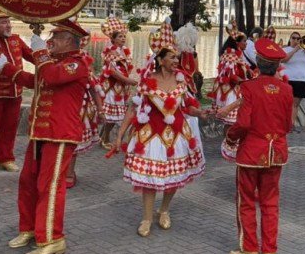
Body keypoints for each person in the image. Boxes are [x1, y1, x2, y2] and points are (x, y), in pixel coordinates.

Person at [0, 19, 91, 254]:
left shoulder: (79, 63)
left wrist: (39, 52)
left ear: (69, 40)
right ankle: (30, 229)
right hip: (40, 133)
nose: (49, 41)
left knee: (50, 186)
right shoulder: (53, 63)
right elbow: (34, 80)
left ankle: (52, 239)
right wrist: (4, 66)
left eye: (55, 37)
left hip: (60, 134)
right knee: (27, 182)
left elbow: (53, 77)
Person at [113, 18, 207, 238]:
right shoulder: (146, 81)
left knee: (173, 179)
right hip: (150, 136)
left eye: (177, 56)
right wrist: (120, 135)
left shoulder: (182, 81)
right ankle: (146, 217)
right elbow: (132, 110)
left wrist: (201, 112)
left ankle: (164, 210)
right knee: (149, 181)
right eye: (172, 56)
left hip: (176, 136)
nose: (176, 60)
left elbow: (188, 108)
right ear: (161, 59)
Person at [225, 38, 293, 254]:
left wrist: (230, 137)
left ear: (258, 62)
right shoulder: (286, 89)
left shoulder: (249, 87)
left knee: (246, 201)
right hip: (276, 152)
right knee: (270, 202)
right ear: (276, 65)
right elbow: (288, 125)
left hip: (251, 153)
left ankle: (250, 248)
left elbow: (243, 123)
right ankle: (270, 250)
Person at [0, 7, 34, 174]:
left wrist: (47, 60)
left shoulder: (16, 40)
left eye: (9, 22)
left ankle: (6, 159)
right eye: (3, 22)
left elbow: (31, 56)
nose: (8, 25)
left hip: (15, 92)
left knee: (9, 128)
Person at [66, 33, 104, 189]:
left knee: (73, 142)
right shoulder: (52, 59)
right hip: (58, 108)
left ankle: (68, 173)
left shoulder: (82, 60)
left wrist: (100, 110)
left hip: (78, 108)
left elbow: (93, 87)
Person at [99, 16, 137, 149]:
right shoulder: (112, 52)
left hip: (120, 88)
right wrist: (128, 80)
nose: (123, 38)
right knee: (112, 117)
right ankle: (105, 138)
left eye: (123, 36)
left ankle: (103, 137)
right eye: (120, 36)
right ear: (113, 39)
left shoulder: (122, 51)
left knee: (114, 116)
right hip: (113, 88)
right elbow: (112, 72)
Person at [210, 27, 252, 125]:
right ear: (237, 43)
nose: (246, 43)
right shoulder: (230, 55)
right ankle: (228, 140)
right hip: (230, 92)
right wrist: (245, 82)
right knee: (231, 123)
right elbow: (230, 75)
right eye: (244, 41)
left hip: (234, 90)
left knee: (234, 122)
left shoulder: (236, 55)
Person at [281, 31, 305, 132]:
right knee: (286, 103)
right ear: (290, 39)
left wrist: (304, 48)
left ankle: (291, 125)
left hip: (302, 80)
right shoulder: (285, 49)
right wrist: (295, 50)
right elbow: (284, 59)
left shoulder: (304, 51)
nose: (296, 40)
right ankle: (285, 124)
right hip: (288, 79)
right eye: (294, 38)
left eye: (298, 38)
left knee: (295, 104)